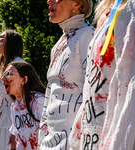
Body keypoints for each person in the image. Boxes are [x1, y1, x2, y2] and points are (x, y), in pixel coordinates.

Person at [69, 0, 135, 149]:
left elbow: (129, 83)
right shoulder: (109, 16)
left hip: (113, 136)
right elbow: (91, 84)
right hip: (92, 134)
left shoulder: (130, 11)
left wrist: (118, 143)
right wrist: (77, 134)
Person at [37, 0, 95, 149]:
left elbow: (94, 93)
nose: (49, 1)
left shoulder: (88, 34)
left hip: (75, 141)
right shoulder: (57, 45)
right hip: (50, 142)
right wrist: (41, 140)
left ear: (76, 4)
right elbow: (49, 96)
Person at [2, 61, 45, 150]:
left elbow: (47, 135)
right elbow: (20, 142)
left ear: (24, 80)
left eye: (9, 74)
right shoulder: (15, 107)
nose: (3, 78)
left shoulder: (39, 101)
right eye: (4, 74)